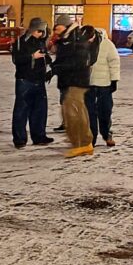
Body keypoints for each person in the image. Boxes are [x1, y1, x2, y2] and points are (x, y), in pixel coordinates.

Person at [51, 24, 98, 158]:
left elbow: (77, 62)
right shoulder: (67, 40)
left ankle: (83, 143)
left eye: (58, 27)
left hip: (77, 81)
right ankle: (79, 142)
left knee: (74, 111)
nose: (55, 31)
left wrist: (57, 68)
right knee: (70, 111)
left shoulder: (76, 40)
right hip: (71, 81)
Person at [11, 18, 54, 148]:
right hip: (25, 79)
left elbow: (46, 58)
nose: (41, 34)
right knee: (21, 110)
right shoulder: (21, 42)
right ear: (33, 29)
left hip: (39, 80)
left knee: (39, 110)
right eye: (39, 31)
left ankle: (39, 136)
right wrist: (31, 57)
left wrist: (50, 65)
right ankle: (19, 139)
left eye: (43, 31)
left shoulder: (40, 42)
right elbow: (16, 59)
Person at [86, 29, 121, 147]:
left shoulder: (107, 44)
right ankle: (91, 137)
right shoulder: (82, 44)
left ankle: (106, 134)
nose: (88, 40)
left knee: (105, 111)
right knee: (90, 112)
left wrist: (114, 80)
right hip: (88, 84)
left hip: (104, 84)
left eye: (90, 38)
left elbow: (114, 62)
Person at [49, 15, 71, 131]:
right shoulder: (61, 39)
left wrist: (55, 68)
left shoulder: (70, 39)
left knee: (69, 100)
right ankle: (66, 122)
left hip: (71, 76)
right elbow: (54, 51)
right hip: (64, 76)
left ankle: (70, 123)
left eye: (58, 26)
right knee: (64, 100)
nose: (56, 28)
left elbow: (66, 59)